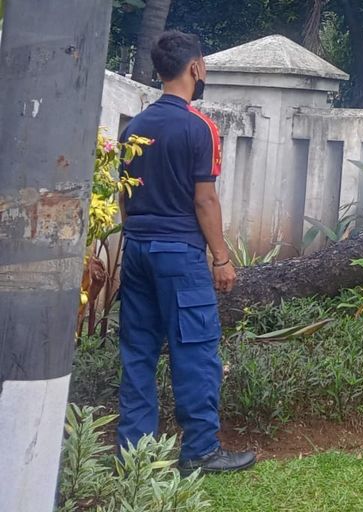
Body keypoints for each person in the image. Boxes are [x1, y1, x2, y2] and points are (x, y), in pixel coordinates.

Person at [117, 31, 255, 474]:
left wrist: (135, 236)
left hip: (136, 248)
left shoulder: (134, 128)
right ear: (195, 68)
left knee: (137, 350)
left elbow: (124, 196)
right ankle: (199, 450)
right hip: (179, 255)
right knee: (194, 349)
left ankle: (134, 455)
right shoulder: (200, 127)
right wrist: (221, 256)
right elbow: (204, 200)